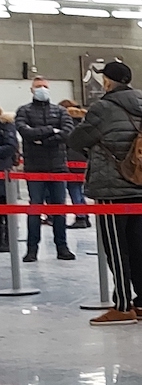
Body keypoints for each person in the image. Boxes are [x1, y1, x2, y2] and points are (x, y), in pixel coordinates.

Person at [67, 61, 142, 326]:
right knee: (137, 245)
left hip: (111, 185)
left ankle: (123, 306)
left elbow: (78, 139)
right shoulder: (140, 104)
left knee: (116, 248)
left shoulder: (103, 107)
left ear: (107, 81)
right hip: (136, 181)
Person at [15, 76, 75, 262]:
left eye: (45, 86)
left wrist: (41, 139)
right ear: (32, 90)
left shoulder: (61, 111)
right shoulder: (23, 111)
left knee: (59, 209)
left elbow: (67, 132)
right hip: (34, 168)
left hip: (57, 167)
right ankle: (32, 249)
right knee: (35, 208)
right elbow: (25, 132)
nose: (42, 89)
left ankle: (62, 247)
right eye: (38, 86)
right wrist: (51, 130)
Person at [60, 100, 90, 229]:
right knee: (79, 189)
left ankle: (80, 216)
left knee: (74, 189)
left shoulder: (66, 123)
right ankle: (85, 215)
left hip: (71, 159)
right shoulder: (84, 121)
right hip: (84, 159)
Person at [0, 112, 16, 253]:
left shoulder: (6, 125)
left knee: (5, 209)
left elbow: (11, 146)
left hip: (2, 172)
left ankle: (8, 241)